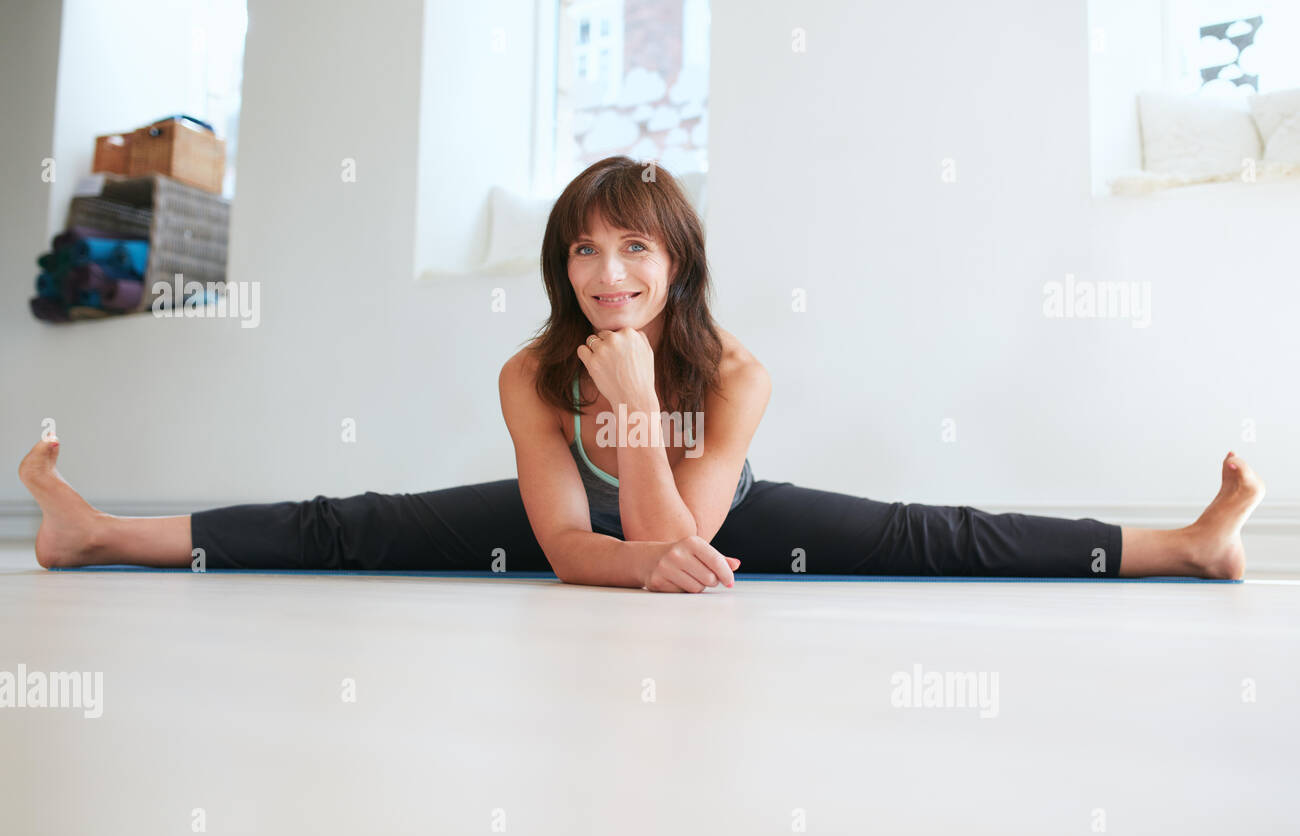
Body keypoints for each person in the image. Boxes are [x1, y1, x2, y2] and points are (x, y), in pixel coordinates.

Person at [18, 157, 1265, 591]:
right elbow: (571, 546)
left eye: (632, 247)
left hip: (713, 507)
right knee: (350, 524)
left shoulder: (735, 374)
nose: (606, 269)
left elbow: (690, 546)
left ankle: (1188, 545)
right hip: (578, 524)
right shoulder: (529, 371)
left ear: (675, 263)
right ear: (563, 265)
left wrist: (634, 418)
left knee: (925, 530)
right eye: (582, 247)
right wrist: (604, 433)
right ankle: (94, 531)